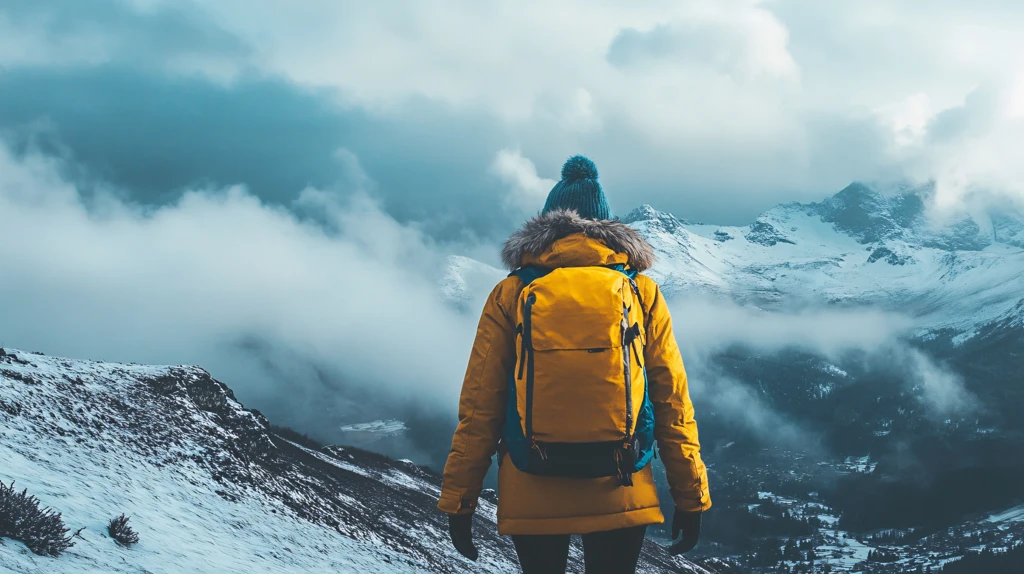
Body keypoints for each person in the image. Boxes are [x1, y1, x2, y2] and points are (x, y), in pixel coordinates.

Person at [438, 155, 711, 573]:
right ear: (608, 230)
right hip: (621, 484)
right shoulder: (641, 292)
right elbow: (671, 398)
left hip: (532, 483)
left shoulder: (511, 292)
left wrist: (460, 499)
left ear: (544, 228)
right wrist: (691, 496)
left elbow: (481, 404)